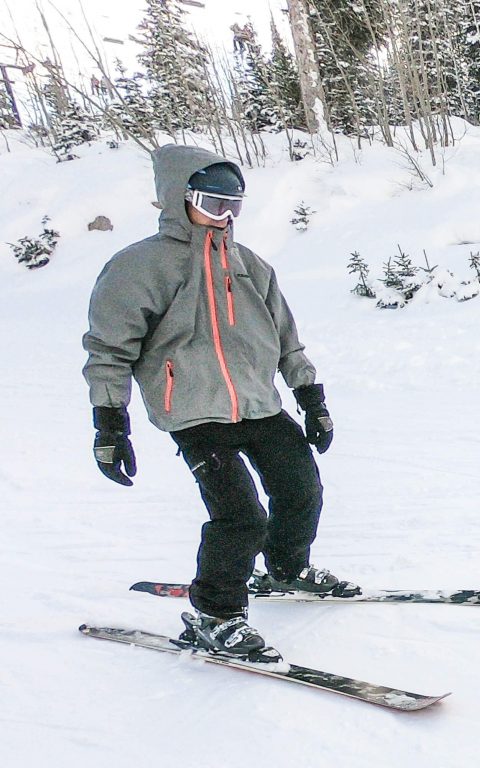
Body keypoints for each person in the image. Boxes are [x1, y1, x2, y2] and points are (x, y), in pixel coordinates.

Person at [83, 145, 340, 660]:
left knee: (301, 490)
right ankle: (215, 615)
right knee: (241, 516)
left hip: (259, 403)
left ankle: (286, 569)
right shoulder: (139, 266)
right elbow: (109, 351)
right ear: (178, 199)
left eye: (233, 206)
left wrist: (310, 398)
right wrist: (111, 425)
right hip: (195, 412)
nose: (222, 216)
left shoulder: (251, 266)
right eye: (210, 202)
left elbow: (287, 339)